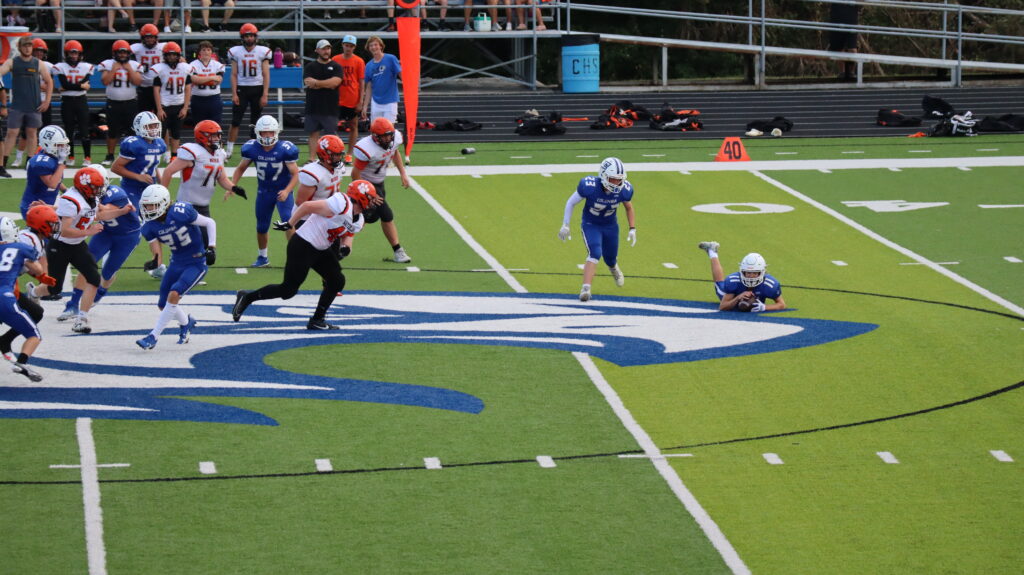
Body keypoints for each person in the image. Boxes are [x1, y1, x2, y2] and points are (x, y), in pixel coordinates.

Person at [231, 180, 383, 330]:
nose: (372, 203)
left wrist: (345, 249)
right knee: (288, 290)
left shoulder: (359, 219)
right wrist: (290, 223)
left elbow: (348, 236)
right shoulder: (341, 203)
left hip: (321, 249)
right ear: (360, 196)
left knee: (337, 280)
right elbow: (307, 206)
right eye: (370, 199)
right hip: (303, 244)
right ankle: (247, 297)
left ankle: (317, 320)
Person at [135, 184, 215, 349]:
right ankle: (186, 323)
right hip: (176, 262)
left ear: (164, 203)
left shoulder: (181, 211)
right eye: (146, 206)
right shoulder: (149, 225)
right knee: (163, 304)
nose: (148, 209)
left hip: (196, 262)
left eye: (152, 205)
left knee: (174, 294)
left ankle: (153, 336)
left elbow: (209, 222)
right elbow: (156, 250)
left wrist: (211, 247)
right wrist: (155, 261)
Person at [36, 167, 109, 334]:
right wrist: (89, 232)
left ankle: (82, 318)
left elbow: (96, 214)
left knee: (93, 278)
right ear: (85, 187)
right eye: (95, 187)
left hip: (77, 244)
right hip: (60, 245)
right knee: (54, 288)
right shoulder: (71, 199)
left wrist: (123, 211)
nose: (99, 190)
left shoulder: (90, 197)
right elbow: (64, 230)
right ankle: (33, 292)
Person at [60, 165, 140, 314]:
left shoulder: (116, 193)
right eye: (89, 185)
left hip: (127, 236)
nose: (92, 188)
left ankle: (100, 293)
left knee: (108, 272)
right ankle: (73, 304)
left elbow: (101, 212)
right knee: (87, 264)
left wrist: (78, 205)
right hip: (105, 232)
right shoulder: (86, 194)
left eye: (95, 184)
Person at [557, 157, 636, 302]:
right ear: (604, 175)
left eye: (619, 179)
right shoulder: (590, 186)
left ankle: (613, 267)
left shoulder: (624, 190)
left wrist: (632, 228)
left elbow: (629, 208)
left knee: (610, 258)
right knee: (595, 252)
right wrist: (565, 224)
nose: (616, 183)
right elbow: (571, 202)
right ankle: (586, 289)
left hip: (611, 226)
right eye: (613, 179)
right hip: (591, 224)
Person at [161, 120, 245, 249]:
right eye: (214, 135)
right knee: (187, 244)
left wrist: (234, 188)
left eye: (218, 135)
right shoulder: (193, 152)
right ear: (202, 136)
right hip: (186, 205)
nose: (217, 138)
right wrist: (162, 197)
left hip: (204, 207)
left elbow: (222, 178)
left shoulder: (219, 154)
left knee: (205, 243)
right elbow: (168, 171)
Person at [229, 115, 299, 268]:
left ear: (276, 132)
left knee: (288, 222)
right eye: (264, 133)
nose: (267, 136)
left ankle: (296, 258)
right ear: (258, 133)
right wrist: (232, 186)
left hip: (282, 192)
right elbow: (240, 168)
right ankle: (262, 257)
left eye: (270, 132)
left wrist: (287, 191)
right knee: (261, 226)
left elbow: (295, 174)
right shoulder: (251, 148)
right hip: (264, 192)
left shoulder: (285, 150)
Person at [1, 206, 58, 364]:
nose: (54, 227)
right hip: (6, 288)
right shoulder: (28, 241)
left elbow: (22, 264)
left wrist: (41, 276)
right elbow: (25, 263)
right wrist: (40, 275)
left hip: (8, 286)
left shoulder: (34, 240)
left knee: (35, 312)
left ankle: (4, 341)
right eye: (51, 224)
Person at [349, 117, 411, 264]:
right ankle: (398, 251)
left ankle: (338, 244)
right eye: (384, 136)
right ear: (375, 136)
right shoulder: (367, 148)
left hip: (380, 183)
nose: (388, 139)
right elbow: (354, 174)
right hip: (366, 185)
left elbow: (394, 152)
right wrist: (367, 193)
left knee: (366, 218)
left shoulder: (394, 140)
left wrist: (403, 173)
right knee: (386, 214)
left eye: (389, 135)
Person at [0, 36, 53, 177]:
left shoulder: (38, 63)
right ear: (19, 47)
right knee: (11, 133)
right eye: (25, 46)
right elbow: (1, 71)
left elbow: (49, 81)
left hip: (33, 105)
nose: (28, 48)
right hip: (17, 105)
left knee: (32, 133)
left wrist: (47, 101)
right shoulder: (12, 62)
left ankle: (30, 163)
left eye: (29, 46)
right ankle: (2, 164)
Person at [697, 242, 786, 312]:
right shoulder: (734, 281)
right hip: (735, 294)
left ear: (762, 272)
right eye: (748, 273)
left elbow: (782, 304)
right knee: (719, 285)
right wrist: (738, 297)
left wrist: (764, 307)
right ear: (742, 271)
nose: (751, 276)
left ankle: (712, 251)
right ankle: (712, 252)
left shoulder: (770, 284)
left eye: (755, 273)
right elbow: (722, 306)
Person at [225, 23, 271, 159]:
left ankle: (254, 148)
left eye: (251, 36)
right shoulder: (236, 52)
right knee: (235, 121)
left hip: (257, 88)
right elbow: (233, 74)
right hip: (242, 88)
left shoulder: (262, 51)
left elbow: (266, 74)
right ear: (242, 37)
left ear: (255, 37)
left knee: (255, 121)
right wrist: (234, 93)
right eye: (246, 36)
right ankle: (229, 150)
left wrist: (265, 94)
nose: (249, 38)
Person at [98, 39, 144, 165]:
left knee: (133, 131)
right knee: (112, 131)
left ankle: (132, 155)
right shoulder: (108, 64)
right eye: (120, 52)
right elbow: (105, 81)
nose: (122, 55)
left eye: (124, 52)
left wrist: (129, 69)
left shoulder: (134, 65)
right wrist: (114, 69)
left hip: (130, 103)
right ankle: (110, 156)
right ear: (114, 53)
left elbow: (138, 82)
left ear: (128, 53)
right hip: (113, 103)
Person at [111, 110, 168, 209]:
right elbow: (115, 168)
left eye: (155, 126)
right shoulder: (134, 144)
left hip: (150, 187)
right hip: (132, 187)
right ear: (139, 127)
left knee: (153, 215)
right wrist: (138, 176)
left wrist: (161, 185)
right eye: (150, 126)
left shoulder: (160, 143)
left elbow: (153, 165)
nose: (154, 129)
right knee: (135, 214)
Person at [52, 40, 94, 167]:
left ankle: (87, 157)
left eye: (76, 53)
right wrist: (80, 86)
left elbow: (75, 85)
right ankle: (71, 156)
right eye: (71, 53)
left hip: (81, 101)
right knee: (68, 131)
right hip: (67, 101)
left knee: (84, 130)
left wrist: (68, 87)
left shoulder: (86, 67)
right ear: (66, 54)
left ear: (80, 54)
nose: (74, 56)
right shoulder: (61, 67)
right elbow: (66, 84)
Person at [303, 39, 343, 162]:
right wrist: (326, 84)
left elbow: (335, 82)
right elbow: (308, 82)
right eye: (323, 49)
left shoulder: (336, 66)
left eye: (328, 48)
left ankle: (336, 157)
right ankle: (311, 159)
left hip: (329, 107)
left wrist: (317, 83)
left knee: (332, 134)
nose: (326, 51)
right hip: (313, 106)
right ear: (317, 50)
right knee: (313, 133)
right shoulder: (310, 66)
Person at [151, 41, 191, 158]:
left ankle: (174, 156)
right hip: (165, 105)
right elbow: (156, 90)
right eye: (169, 55)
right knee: (161, 132)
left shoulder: (185, 68)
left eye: (174, 54)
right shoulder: (160, 68)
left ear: (178, 55)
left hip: (179, 105)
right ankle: (160, 154)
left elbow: (188, 89)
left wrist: (185, 107)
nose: (171, 57)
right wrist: (159, 109)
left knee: (176, 133)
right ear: (165, 56)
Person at [19, 125, 68, 219]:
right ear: (47, 144)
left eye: (63, 144)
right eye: (59, 145)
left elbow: (56, 179)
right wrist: (62, 164)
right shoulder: (41, 162)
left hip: (49, 202)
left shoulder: (51, 156)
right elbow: (52, 184)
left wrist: (66, 191)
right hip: (34, 206)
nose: (63, 147)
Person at [331, 34, 364, 165]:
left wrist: (360, 101)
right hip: (337, 99)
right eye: (346, 45)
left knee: (353, 126)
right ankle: (339, 150)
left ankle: (349, 154)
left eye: (351, 46)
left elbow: (361, 82)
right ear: (343, 45)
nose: (348, 48)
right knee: (331, 126)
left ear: (354, 47)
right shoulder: (335, 59)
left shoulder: (359, 61)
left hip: (352, 98)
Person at [359, 36, 401, 125]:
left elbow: (401, 74)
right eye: (371, 46)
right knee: (376, 129)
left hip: (390, 101)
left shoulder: (391, 59)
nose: (373, 47)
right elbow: (369, 87)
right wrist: (365, 106)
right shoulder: (368, 65)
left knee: (388, 129)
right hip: (376, 102)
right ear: (368, 48)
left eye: (375, 45)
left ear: (381, 46)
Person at [188, 41, 225, 126]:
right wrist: (211, 77)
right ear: (199, 52)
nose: (206, 52)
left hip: (214, 99)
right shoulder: (193, 64)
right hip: (198, 100)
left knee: (215, 126)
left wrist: (201, 78)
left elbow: (218, 80)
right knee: (199, 126)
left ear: (212, 52)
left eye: (208, 50)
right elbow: (194, 80)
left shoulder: (217, 65)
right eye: (203, 50)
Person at [131, 24, 166, 116]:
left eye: (152, 37)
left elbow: (179, 58)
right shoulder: (137, 47)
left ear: (156, 37)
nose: (149, 40)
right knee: (143, 115)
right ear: (143, 38)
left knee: (161, 116)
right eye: (147, 37)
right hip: (144, 87)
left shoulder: (163, 47)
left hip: (160, 88)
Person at [828, 1, 860, 81]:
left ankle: (851, 72)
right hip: (836, 18)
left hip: (851, 20)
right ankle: (842, 72)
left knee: (852, 48)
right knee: (838, 48)